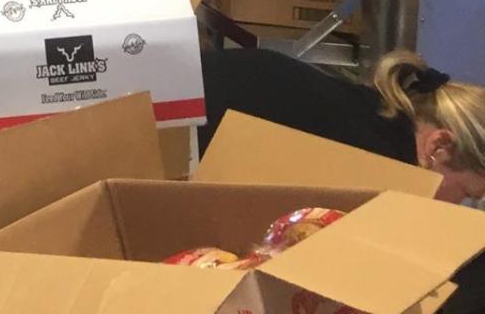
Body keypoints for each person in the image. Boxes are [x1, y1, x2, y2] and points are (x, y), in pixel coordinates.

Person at [200, 46, 485, 204]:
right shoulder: (372, 163)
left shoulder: (376, 114)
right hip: (190, 131)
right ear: (440, 145)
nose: (457, 208)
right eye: (467, 194)